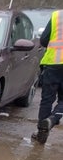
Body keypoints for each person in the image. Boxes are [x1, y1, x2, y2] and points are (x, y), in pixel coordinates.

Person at [34, 9, 63, 144]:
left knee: (46, 99)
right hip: (54, 64)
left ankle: (41, 134)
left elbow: (44, 40)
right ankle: (52, 120)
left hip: (53, 63)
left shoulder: (57, 15)